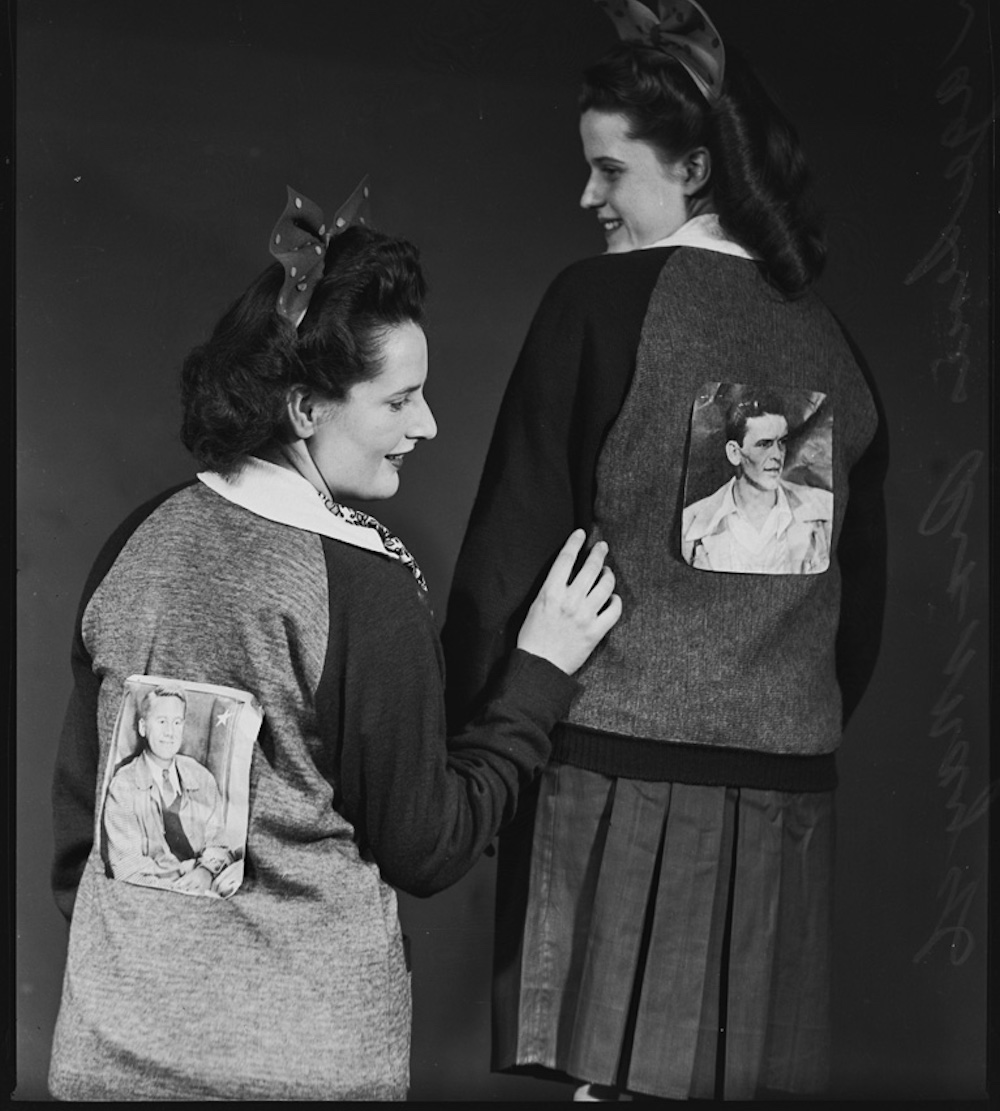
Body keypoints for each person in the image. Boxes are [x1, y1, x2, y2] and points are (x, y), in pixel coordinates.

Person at [48, 179, 621, 1102]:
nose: (428, 424)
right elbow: (430, 845)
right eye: (400, 401)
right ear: (306, 410)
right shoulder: (363, 589)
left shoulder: (136, 541)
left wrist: (152, 975)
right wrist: (539, 677)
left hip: (109, 1056)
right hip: (305, 1071)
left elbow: (83, 835)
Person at [443, 0, 888, 1102]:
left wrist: (480, 743)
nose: (585, 195)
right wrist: (772, 703)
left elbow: (511, 546)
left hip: (608, 782)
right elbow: (861, 616)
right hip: (785, 797)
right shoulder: (835, 344)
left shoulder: (596, 303)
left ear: (693, 169)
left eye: (608, 169)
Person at [681, 390, 833, 574]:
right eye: (764, 444)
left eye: (782, 442)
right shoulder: (691, 524)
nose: (777, 455)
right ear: (734, 453)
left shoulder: (822, 509)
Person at [102, 684, 235, 893]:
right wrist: (178, 886)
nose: (170, 732)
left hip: (206, 889)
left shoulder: (201, 777)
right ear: (144, 727)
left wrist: (206, 872)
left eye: (177, 722)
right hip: (151, 893)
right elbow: (126, 869)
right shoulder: (123, 787)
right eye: (162, 721)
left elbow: (220, 845)